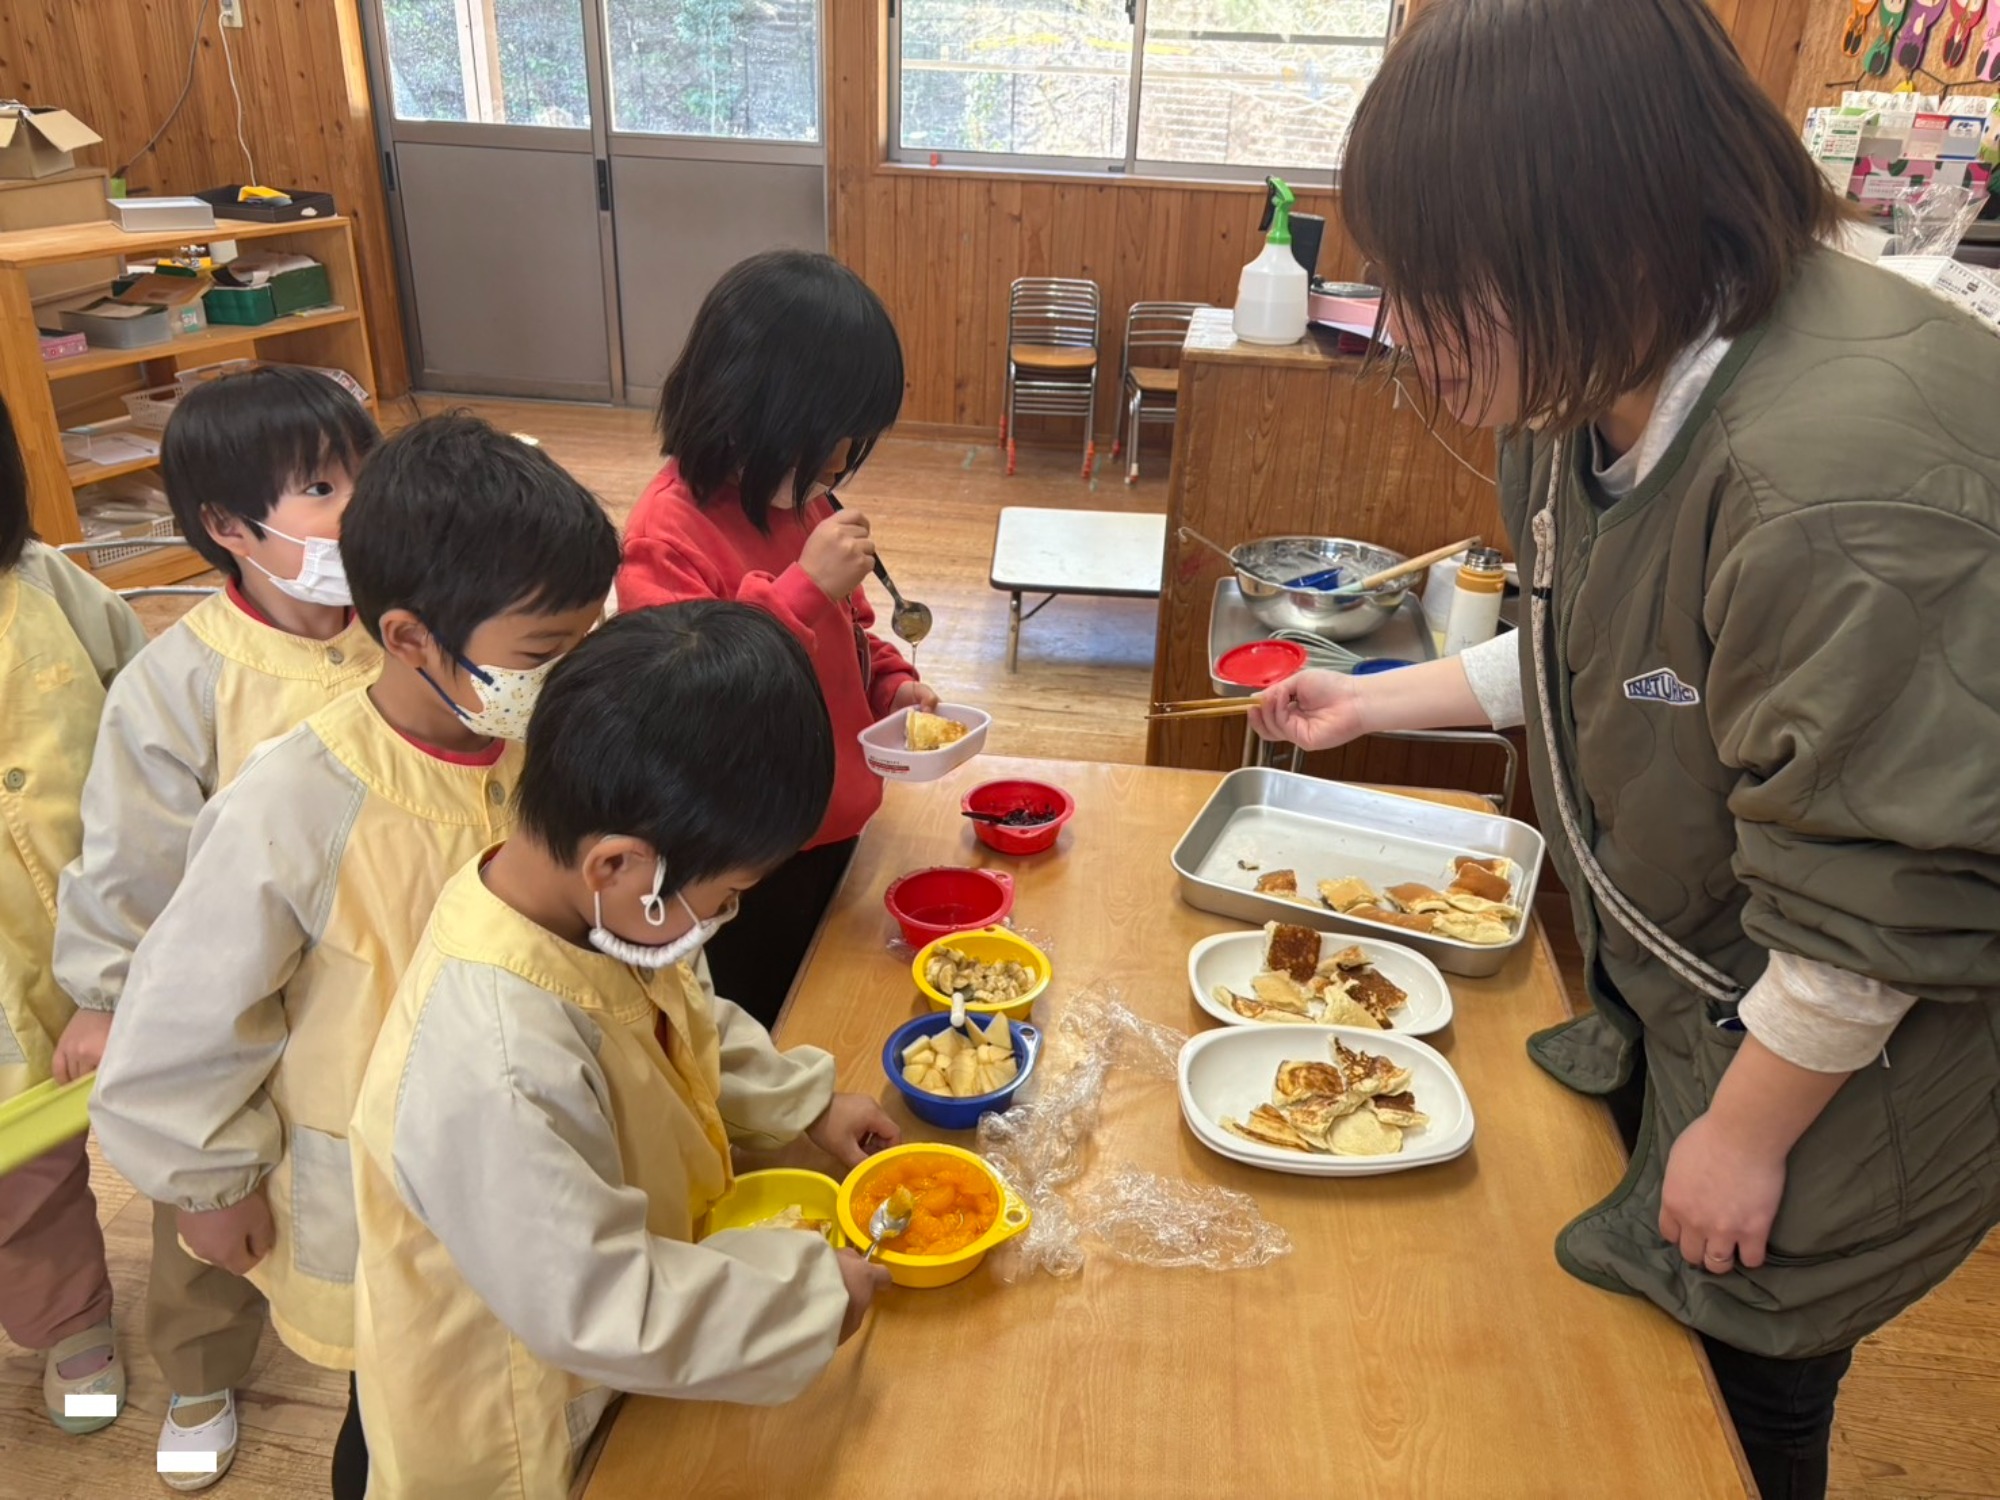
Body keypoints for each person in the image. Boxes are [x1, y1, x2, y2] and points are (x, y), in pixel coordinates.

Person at [1249, 5, 2000, 1497]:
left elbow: (1884, 886)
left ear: (1603, 232)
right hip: (1706, 999)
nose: (1413, 341)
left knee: (1730, 1398)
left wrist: (1743, 1132)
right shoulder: (1596, 364)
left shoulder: (1838, 483)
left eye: (1439, 293)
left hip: (1846, 1059)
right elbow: (1607, 651)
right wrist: (1371, 706)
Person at [89, 413, 620, 1499]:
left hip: (534, 1148)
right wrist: (206, 1179)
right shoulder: (296, 799)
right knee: (393, 1407)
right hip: (379, 1186)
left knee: (532, 1367)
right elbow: (187, 1013)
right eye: (544, 654)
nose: (569, 678)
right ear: (414, 637)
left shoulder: (544, 761)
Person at [349, 603, 897, 1499]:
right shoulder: (498, 1063)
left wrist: (805, 1103)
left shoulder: (589, 910)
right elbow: (596, 1304)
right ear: (618, 866)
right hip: (524, 1427)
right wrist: (805, 1297)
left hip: (624, 1362)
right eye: (727, 891)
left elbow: (683, 1017)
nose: (725, 915)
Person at [52, 364, 380, 1488]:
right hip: (229, 1017)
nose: (361, 505)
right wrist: (103, 995)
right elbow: (128, 860)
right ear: (229, 527)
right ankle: (197, 1374)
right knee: (214, 1218)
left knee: (356, 1191)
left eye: (365, 472)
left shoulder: (399, 622)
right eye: (327, 487)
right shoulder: (180, 681)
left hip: (365, 988)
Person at [617, 250, 934, 1027]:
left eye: (851, 442)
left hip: (837, 832)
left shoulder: (806, 505)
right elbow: (684, 711)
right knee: (769, 1034)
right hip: (747, 869)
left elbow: (853, 631)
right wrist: (799, 588)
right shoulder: (668, 534)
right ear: (747, 406)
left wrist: (893, 689)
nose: (836, 463)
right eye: (825, 438)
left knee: (843, 1019)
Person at [0, 392, 148, 1437]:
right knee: (19, 1172)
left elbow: (145, 698)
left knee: (76, 1148)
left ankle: (90, 1318)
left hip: (91, 936)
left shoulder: (45, 583)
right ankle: (61, 1312)